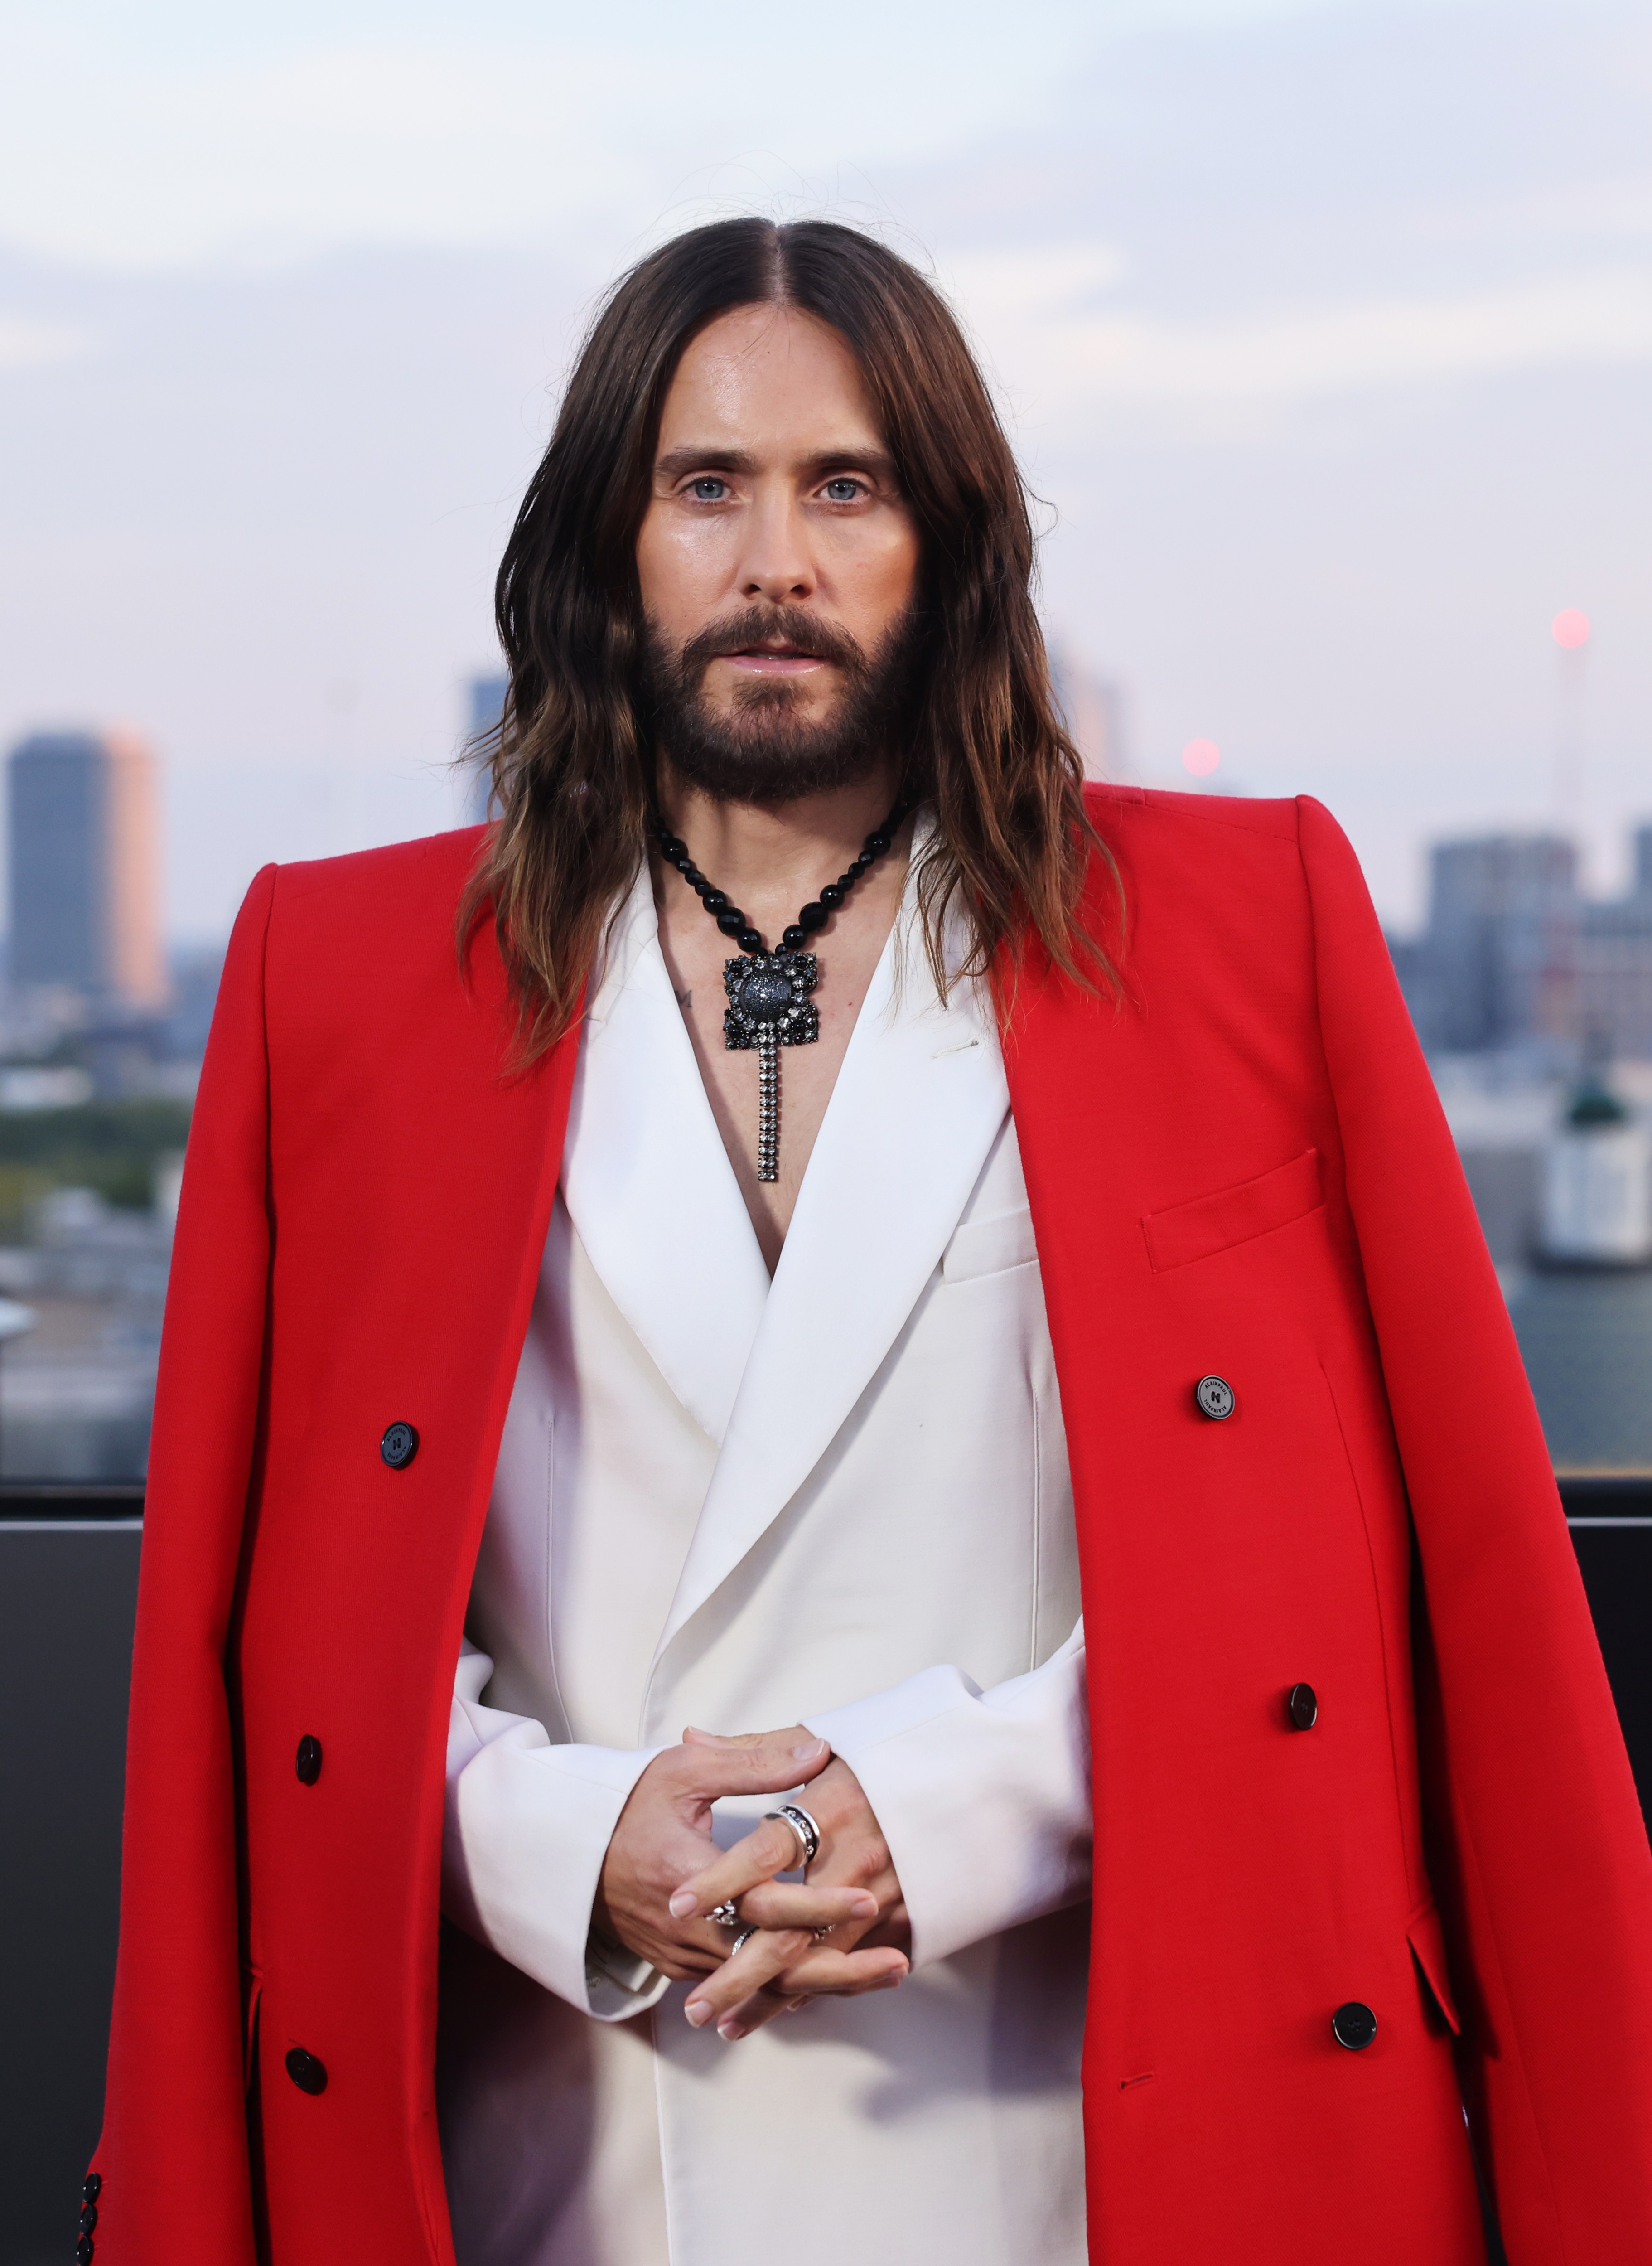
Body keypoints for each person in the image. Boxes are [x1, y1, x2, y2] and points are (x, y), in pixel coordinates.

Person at [90, 219, 1652, 2266]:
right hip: (553, 2163)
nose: (777, 564)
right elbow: (261, 1626)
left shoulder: (1247, 920)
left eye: (847, 485)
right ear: (606, 543)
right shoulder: (337, 971)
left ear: (951, 540)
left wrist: (965, 1803)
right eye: (705, 485)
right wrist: (551, 1835)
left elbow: (1414, 1577)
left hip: (1089, 2153)